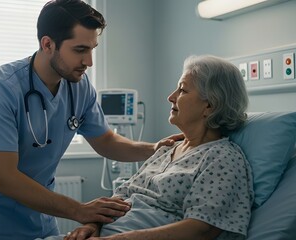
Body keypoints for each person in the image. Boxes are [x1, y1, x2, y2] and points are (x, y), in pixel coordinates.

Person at [0, 0, 182, 239]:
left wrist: (156, 150)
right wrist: (79, 210)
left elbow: (106, 140)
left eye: (92, 49)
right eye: (80, 50)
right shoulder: (0, 89)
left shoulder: (79, 86)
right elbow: (6, 178)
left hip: (41, 219)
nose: (89, 61)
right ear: (48, 44)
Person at [62, 55, 254, 240]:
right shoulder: (166, 151)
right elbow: (119, 199)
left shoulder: (222, 158)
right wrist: (91, 226)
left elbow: (201, 230)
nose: (171, 97)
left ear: (210, 105)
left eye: (183, 90)